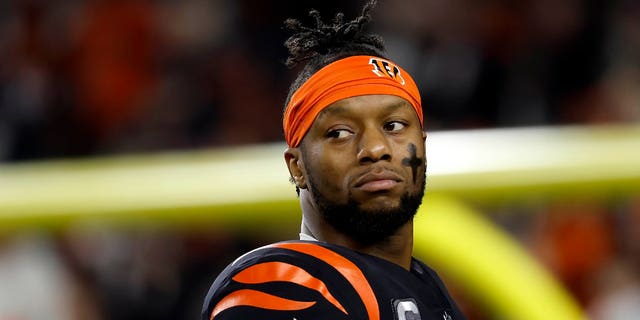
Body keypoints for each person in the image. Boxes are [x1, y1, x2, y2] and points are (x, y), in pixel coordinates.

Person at [201, 1, 466, 319]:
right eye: (340, 132)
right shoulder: (279, 285)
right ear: (296, 167)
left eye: (393, 126)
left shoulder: (428, 284)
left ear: (422, 146)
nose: (375, 148)